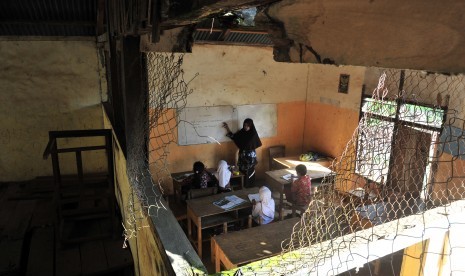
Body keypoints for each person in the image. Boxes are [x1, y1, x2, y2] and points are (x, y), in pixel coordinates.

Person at [223, 118, 262, 187]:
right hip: (242, 158)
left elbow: (251, 145)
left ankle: (250, 186)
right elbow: (234, 137)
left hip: (250, 159)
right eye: (245, 125)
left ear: (251, 126)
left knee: (249, 173)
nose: (246, 127)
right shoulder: (242, 132)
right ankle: (243, 186)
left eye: (247, 125)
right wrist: (227, 128)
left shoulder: (253, 135)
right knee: (242, 172)